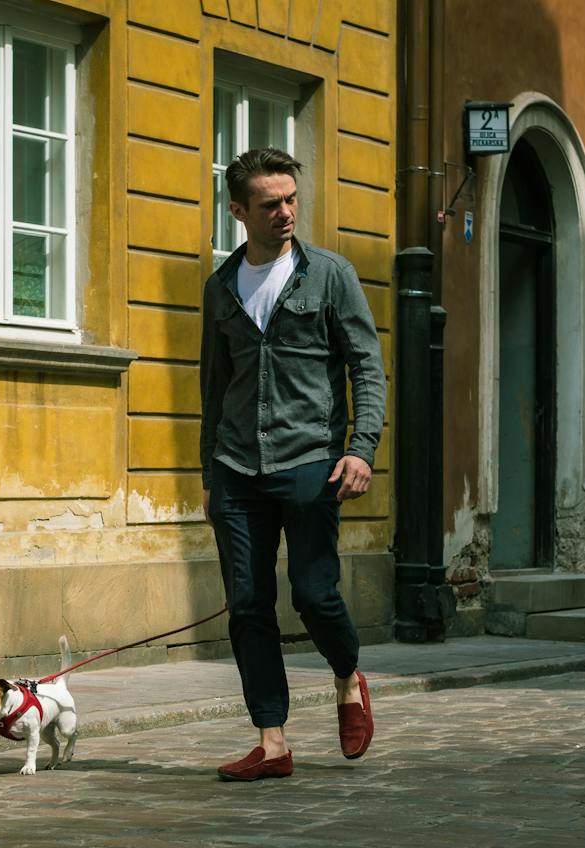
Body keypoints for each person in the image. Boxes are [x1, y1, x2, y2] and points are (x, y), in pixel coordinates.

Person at [199, 148, 387, 781]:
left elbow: (366, 364)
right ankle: (272, 740)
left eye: (291, 200)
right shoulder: (221, 286)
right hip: (236, 467)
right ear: (237, 211)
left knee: (312, 594)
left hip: (310, 458)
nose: (285, 213)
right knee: (247, 604)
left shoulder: (330, 276)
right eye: (269, 204)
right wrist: (208, 475)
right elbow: (213, 386)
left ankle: (345, 678)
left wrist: (360, 448)